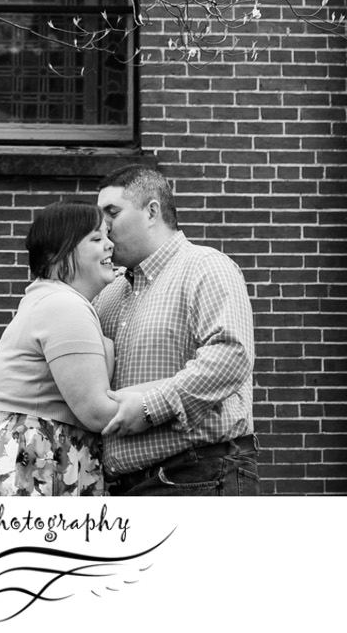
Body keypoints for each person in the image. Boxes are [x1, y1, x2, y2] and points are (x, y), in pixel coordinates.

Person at [95, 165, 258, 496]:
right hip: (126, 488)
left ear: (152, 211)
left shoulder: (206, 266)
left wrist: (151, 407)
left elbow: (231, 355)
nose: (103, 226)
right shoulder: (107, 294)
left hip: (199, 475)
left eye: (112, 212)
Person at [0, 197, 120, 496]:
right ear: (59, 255)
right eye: (97, 238)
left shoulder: (50, 300)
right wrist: (170, 395)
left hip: (25, 453)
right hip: (35, 458)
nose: (110, 245)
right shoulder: (63, 305)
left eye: (108, 235)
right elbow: (97, 412)